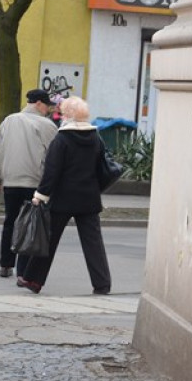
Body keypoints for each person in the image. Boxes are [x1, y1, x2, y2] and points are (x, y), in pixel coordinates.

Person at [22, 96, 112, 295]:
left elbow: (51, 172)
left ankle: (34, 280)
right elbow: (100, 168)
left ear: (67, 116)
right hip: (89, 198)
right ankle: (102, 284)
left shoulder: (62, 139)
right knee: (93, 243)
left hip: (63, 199)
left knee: (49, 240)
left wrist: (41, 195)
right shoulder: (95, 138)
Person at [0, 88, 58, 279]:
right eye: (47, 106)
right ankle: (23, 272)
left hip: (10, 182)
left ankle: (6, 264)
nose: (48, 110)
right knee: (31, 225)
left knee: (10, 222)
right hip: (36, 183)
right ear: (39, 104)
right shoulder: (48, 126)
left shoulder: (9, 121)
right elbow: (54, 157)